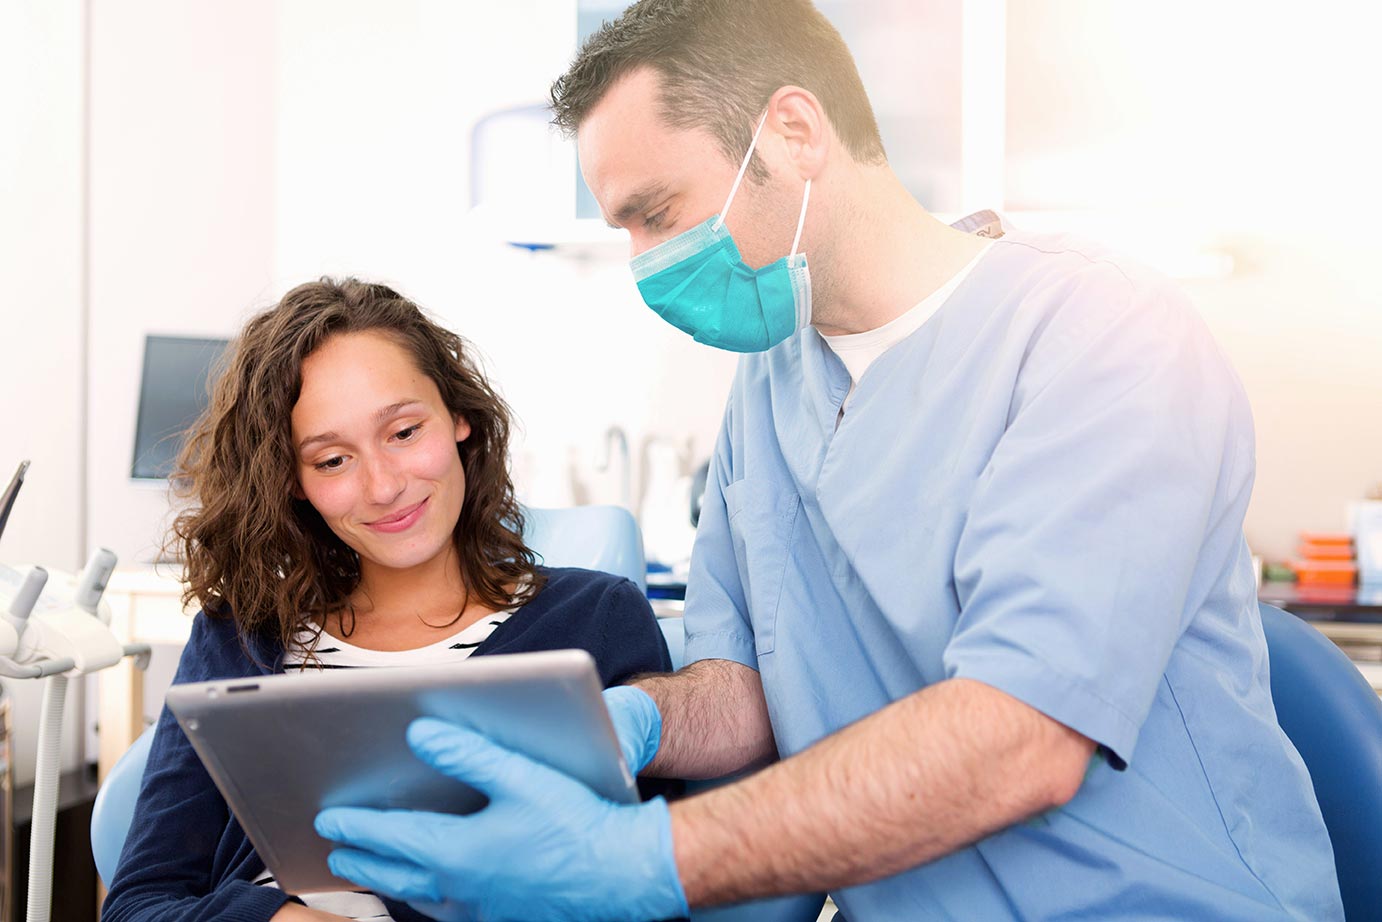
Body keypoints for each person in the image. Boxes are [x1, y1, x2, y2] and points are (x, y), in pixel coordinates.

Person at [313, 2, 1345, 920]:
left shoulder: (1098, 334)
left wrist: (643, 855)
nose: (641, 263)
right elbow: (747, 690)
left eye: (656, 214)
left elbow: (1020, 734)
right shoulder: (769, 392)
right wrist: (610, 723)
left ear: (794, 132)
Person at [101, 278, 673, 922]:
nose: (383, 486)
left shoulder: (596, 619)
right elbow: (139, 906)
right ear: (293, 482)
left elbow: (652, 894)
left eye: (403, 432)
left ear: (458, 416)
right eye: (333, 460)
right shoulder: (243, 633)